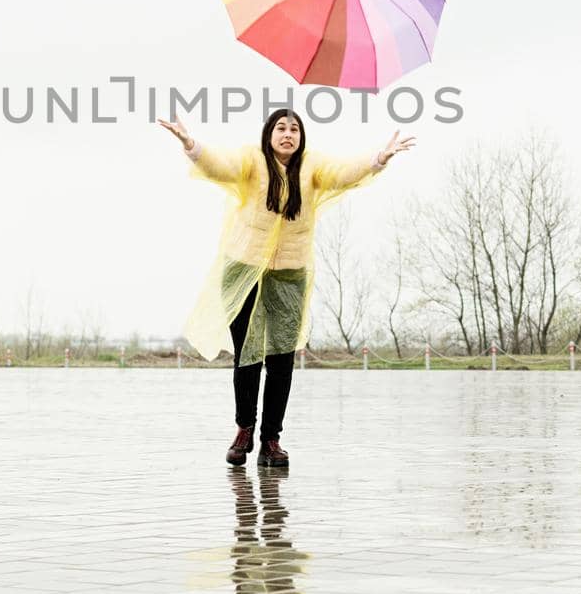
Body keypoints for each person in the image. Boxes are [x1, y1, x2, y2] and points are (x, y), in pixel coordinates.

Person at [158, 107, 414, 466]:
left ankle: (271, 440)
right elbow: (221, 167)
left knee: (281, 360)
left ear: (301, 137)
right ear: (269, 133)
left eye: (295, 129)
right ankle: (244, 430)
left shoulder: (312, 167)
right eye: (281, 127)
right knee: (248, 354)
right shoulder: (252, 160)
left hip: (289, 274)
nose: (288, 134)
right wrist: (191, 143)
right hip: (244, 268)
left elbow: (344, 174)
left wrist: (378, 159)